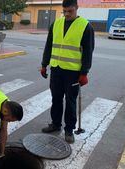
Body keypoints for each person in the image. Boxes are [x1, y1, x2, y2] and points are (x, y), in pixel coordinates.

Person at [40, 0, 94, 143]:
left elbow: (88, 52)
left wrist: (84, 73)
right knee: (56, 98)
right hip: (56, 69)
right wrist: (44, 64)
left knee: (70, 101)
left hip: (73, 72)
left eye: (70, 11)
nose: (67, 14)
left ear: (77, 8)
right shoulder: (56, 24)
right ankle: (56, 124)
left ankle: (69, 130)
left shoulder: (85, 26)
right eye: (64, 11)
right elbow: (49, 46)